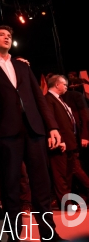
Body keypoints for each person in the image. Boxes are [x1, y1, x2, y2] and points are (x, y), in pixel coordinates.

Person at [0, 25, 64, 241]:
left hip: (34, 129)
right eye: (1, 34)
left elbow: (39, 99)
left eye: (9, 35)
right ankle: (14, 235)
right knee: (10, 187)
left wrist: (53, 127)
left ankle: (49, 233)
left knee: (41, 184)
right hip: (6, 132)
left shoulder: (23, 66)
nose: (7, 37)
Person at [45, 75, 89, 207]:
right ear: (57, 85)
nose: (66, 87)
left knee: (68, 174)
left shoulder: (59, 99)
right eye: (64, 85)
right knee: (61, 175)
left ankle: (67, 201)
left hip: (70, 143)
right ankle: (65, 204)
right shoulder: (48, 99)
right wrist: (61, 140)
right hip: (61, 143)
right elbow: (51, 121)